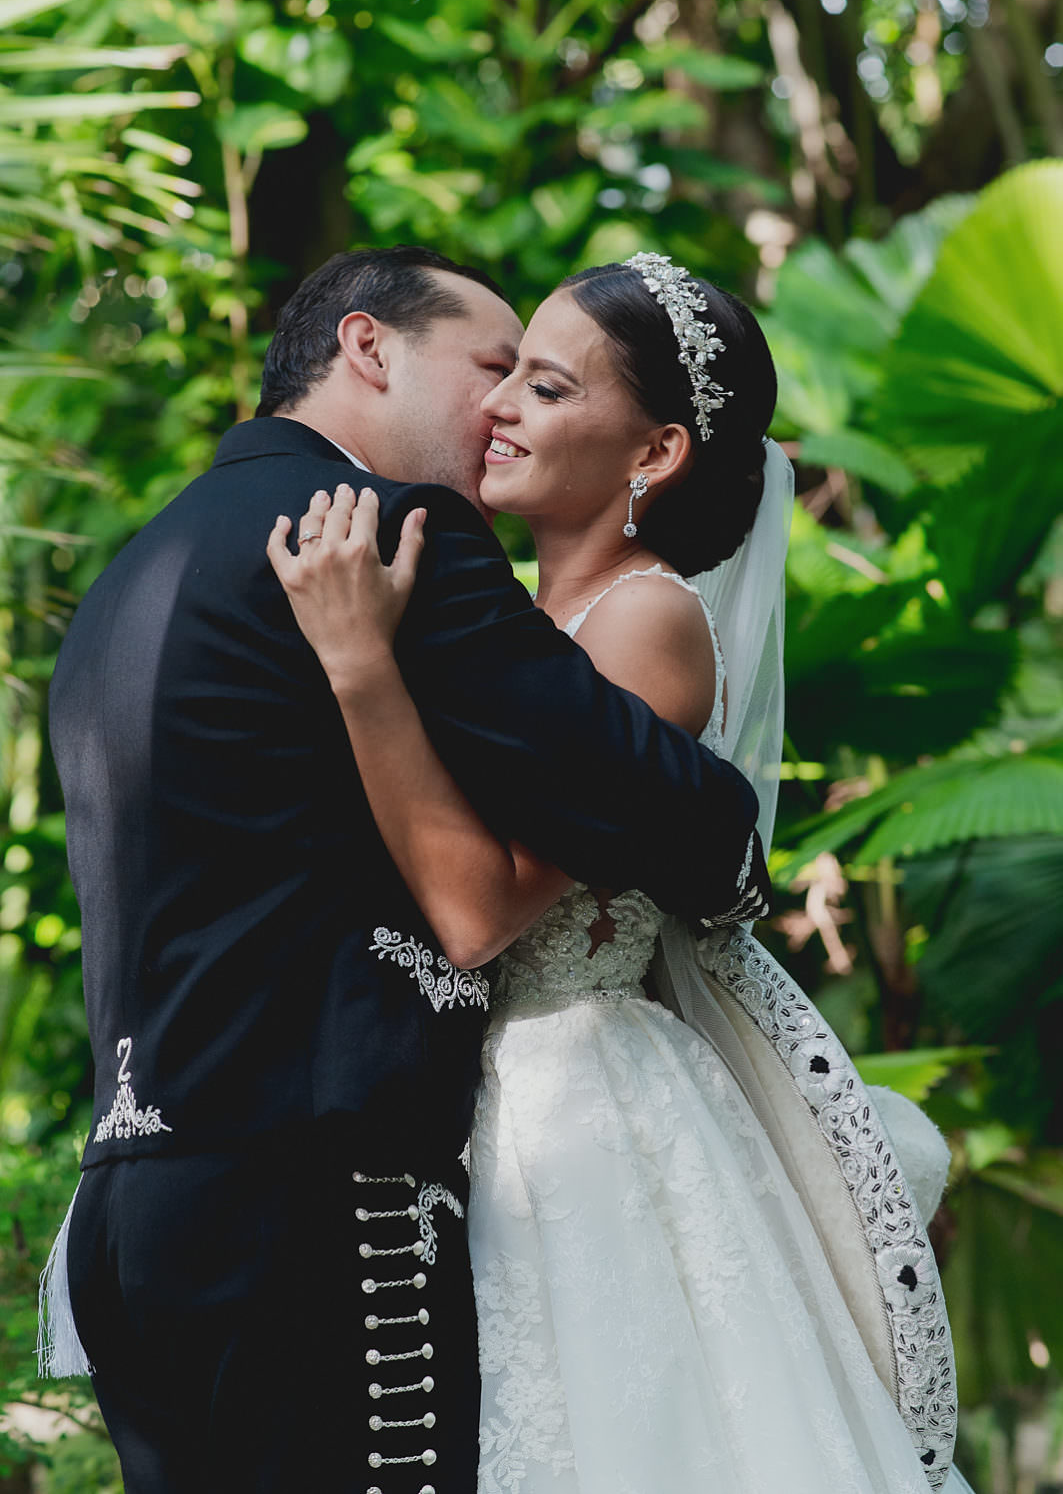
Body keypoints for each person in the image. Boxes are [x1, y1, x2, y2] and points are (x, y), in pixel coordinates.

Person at [40, 246, 772, 1494]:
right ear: (371, 348)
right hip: (317, 1204)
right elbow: (670, 808)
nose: (499, 408)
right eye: (495, 368)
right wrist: (736, 853)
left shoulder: (128, 582)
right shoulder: (380, 537)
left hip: (128, 1212)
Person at [269, 253, 974, 1493]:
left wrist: (359, 666)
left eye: (542, 389)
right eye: (505, 380)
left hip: (577, 1108)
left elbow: (482, 911)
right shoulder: (518, 619)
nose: (495, 410)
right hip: (471, 1094)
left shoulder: (648, 623)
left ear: (651, 454)